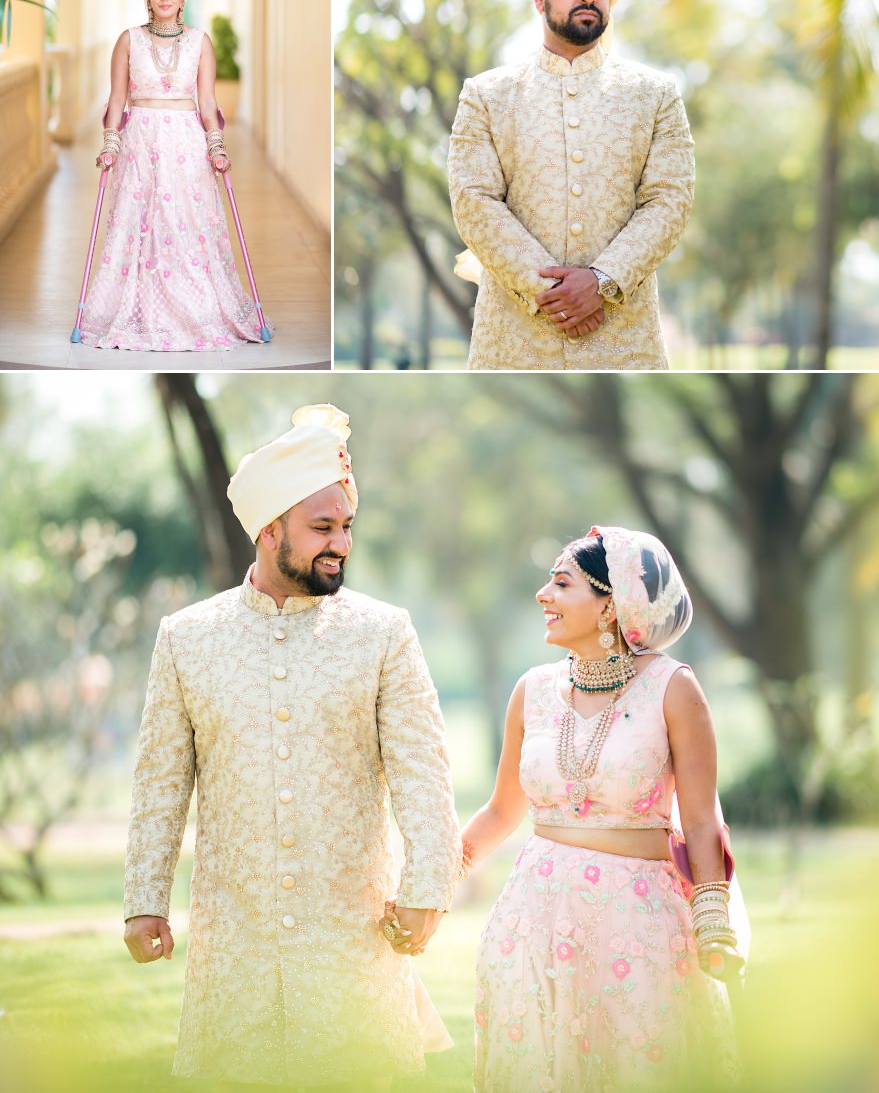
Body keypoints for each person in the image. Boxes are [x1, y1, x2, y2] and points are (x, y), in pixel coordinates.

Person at [122, 404, 460, 1089]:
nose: (341, 542)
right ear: (268, 528)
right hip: (233, 946)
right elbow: (160, 783)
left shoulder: (383, 633)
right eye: (322, 527)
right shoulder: (186, 638)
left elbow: (424, 773)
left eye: (347, 527)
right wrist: (144, 897)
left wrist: (428, 889)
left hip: (352, 946)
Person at [462, 526, 748, 1091]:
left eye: (561, 583)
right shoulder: (533, 690)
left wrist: (713, 925)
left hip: (636, 924)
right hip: (531, 920)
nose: (543, 595)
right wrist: (436, 879)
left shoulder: (673, 689)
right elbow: (500, 813)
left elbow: (697, 819)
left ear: (610, 606)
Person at [447, 0, 695, 370]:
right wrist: (555, 294)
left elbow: (670, 202)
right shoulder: (487, 96)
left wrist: (602, 282)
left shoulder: (655, 95)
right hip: (513, 347)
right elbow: (474, 201)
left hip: (626, 346)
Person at [77, 0, 269, 351]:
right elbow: (116, 98)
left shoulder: (200, 41)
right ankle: (136, 310)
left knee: (184, 224)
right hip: (140, 141)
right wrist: (110, 142)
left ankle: (195, 310)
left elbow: (208, 101)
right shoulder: (129, 40)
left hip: (185, 143)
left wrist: (216, 145)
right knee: (138, 223)